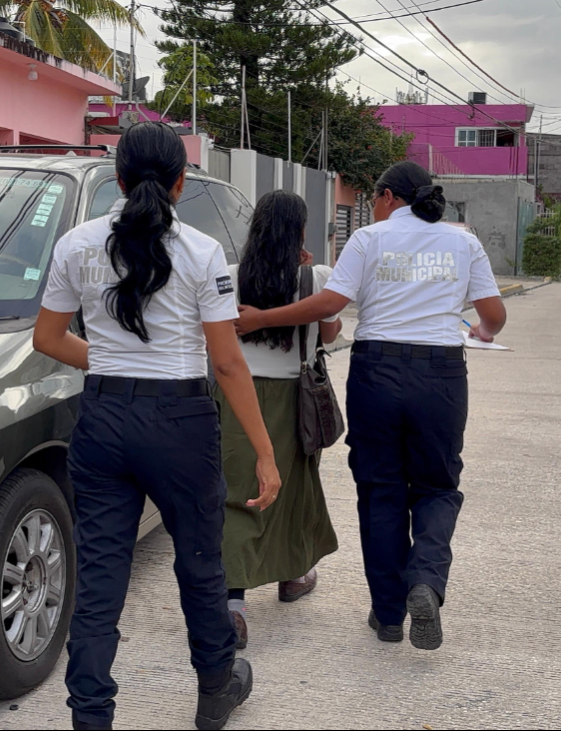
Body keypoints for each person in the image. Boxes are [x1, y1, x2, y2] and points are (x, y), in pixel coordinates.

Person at [33, 121, 281, 731]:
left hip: (104, 418)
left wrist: (115, 365)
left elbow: (48, 338)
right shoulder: (202, 253)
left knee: (99, 577)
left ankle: (91, 716)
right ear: (181, 183)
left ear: (116, 178)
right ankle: (215, 689)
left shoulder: (76, 246)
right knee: (200, 563)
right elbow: (226, 361)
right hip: (181, 421)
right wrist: (265, 453)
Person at [236, 161, 507, 651]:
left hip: (376, 371)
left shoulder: (368, 239)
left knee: (381, 491)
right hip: (441, 374)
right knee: (437, 486)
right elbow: (494, 316)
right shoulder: (463, 242)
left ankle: (387, 616)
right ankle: (424, 580)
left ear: (386, 197)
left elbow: (328, 306)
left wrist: (260, 319)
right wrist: (480, 334)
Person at [219, 190, 341, 648]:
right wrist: (308, 277)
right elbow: (329, 331)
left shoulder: (228, 277)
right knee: (294, 491)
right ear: (301, 232)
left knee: (239, 496)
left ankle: (232, 606)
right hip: (294, 399)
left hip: (235, 395)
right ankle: (292, 577)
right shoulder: (316, 278)